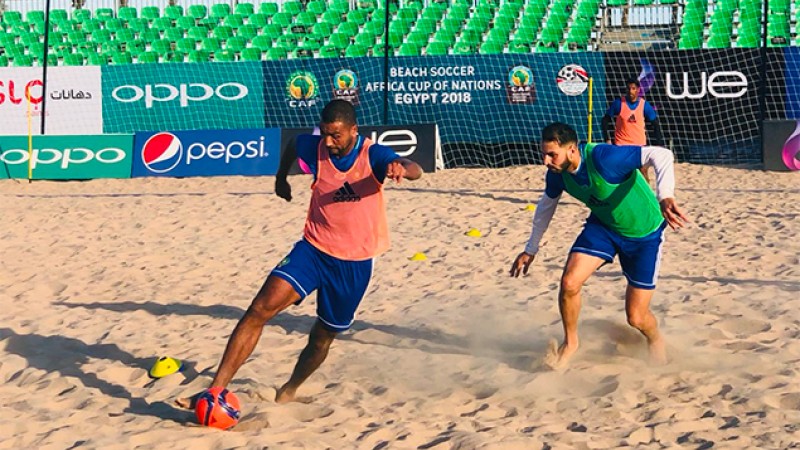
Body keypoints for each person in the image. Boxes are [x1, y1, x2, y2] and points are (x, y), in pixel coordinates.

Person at [177, 99, 422, 407]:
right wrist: (281, 178)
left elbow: (416, 169)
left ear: (354, 130)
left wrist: (403, 169)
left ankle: (290, 389)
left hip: (353, 264)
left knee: (322, 337)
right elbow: (294, 144)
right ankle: (215, 390)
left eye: (337, 135)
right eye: (326, 134)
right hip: (313, 249)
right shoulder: (315, 146)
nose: (330, 142)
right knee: (258, 310)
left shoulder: (373, 154)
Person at [509, 122, 689, 370]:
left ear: (572, 150)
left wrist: (665, 195)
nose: (546, 160)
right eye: (544, 153)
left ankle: (655, 339)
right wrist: (531, 249)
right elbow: (546, 207)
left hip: (644, 234)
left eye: (552, 154)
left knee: (636, 317)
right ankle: (571, 343)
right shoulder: (556, 175)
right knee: (570, 283)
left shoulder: (604, 158)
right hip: (603, 226)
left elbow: (661, 154)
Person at [602, 77, 664, 181]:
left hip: (639, 144)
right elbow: (605, 120)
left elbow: (655, 124)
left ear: (638, 90)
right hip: (621, 144)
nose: (631, 91)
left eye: (633, 88)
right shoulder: (618, 103)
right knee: (620, 173)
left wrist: (659, 143)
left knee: (643, 172)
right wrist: (607, 139)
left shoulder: (644, 105)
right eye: (629, 88)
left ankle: (646, 196)